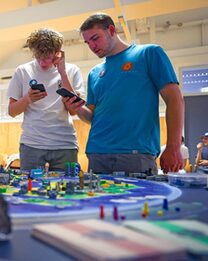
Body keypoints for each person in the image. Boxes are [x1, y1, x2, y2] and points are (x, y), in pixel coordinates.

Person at [64, 13, 184, 174]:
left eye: (95, 38)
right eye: (87, 42)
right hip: (97, 153)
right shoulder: (94, 73)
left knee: (142, 200)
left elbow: (175, 99)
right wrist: (78, 108)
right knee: (97, 200)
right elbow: (92, 117)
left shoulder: (148, 53)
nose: (92, 46)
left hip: (136, 153)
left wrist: (173, 147)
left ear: (111, 30)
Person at [7, 28, 85, 171]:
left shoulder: (72, 70)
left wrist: (62, 73)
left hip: (64, 143)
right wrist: (28, 99)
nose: (42, 63)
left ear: (58, 52)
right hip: (32, 143)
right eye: (38, 57)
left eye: (47, 58)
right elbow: (12, 111)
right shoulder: (23, 71)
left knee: (66, 189)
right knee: (30, 189)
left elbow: (74, 112)